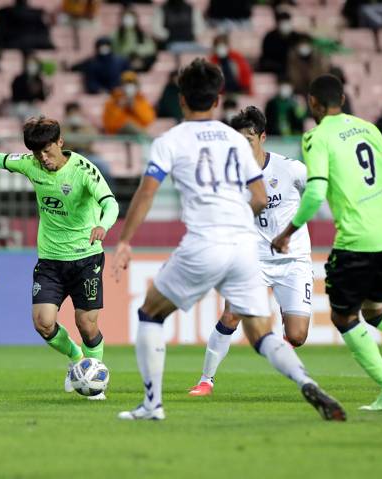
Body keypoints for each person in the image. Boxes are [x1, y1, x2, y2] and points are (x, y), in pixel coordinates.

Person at [112, 59, 344, 421]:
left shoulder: (170, 140)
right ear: (217, 100)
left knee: (150, 313)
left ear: (182, 100)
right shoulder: (234, 142)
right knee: (260, 331)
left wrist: (125, 241)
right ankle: (304, 381)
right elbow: (261, 197)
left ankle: (152, 405)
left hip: (205, 242)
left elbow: (146, 193)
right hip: (244, 249)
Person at [272, 74, 382, 412]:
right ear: (344, 101)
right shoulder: (368, 128)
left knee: (344, 317)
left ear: (313, 104)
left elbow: (316, 190)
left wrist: (288, 232)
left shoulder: (316, 137)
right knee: (375, 311)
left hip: (356, 241)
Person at [0, 117, 119, 400]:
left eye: (48, 150)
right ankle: (76, 358)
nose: (43, 158)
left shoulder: (83, 170)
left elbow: (110, 202)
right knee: (43, 323)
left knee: (86, 324)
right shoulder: (31, 164)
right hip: (51, 260)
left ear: (60, 142)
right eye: (37, 153)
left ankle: (95, 386)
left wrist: (103, 224)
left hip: (86, 258)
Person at [189, 106, 313, 396]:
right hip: (252, 260)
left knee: (297, 334)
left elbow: (321, 188)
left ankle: (280, 351)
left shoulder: (289, 168)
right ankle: (206, 380)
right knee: (231, 315)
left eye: (249, 139)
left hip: (293, 260)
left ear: (263, 137)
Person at [102, 70, 156, 135]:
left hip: (138, 134)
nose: (129, 86)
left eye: (132, 83)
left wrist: (135, 107)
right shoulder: (113, 101)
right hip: (118, 134)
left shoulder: (141, 100)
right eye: (126, 83)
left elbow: (148, 120)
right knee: (129, 127)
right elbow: (109, 124)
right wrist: (119, 107)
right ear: (121, 86)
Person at [111, 7, 158, 72]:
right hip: (124, 60)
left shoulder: (141, 33)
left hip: (140, 59)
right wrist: (129, 52)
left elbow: (150, 48)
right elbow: (115, 49)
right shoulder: (116, 34)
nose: (128, 20)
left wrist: (138, 52)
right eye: (126, 17)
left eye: (131, 17)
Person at [258, 11, 303, 78]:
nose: (285, 24)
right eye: (282, 21)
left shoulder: (296, 36)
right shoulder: (269, 37)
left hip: (293, 65)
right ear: (277, 23)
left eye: (287, 21)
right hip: (276, 66)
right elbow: (266, 55)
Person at [11, 53, 49, 120]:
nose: (32, 66)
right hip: (20, 106)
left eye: (34, 63)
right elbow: (15, 96)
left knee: (40, 116)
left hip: (33, 106)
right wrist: (29, 89)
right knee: (25, 113)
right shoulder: (19, 79)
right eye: (30, 63)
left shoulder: (38, 80)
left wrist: (46, 91)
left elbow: (42, 98)